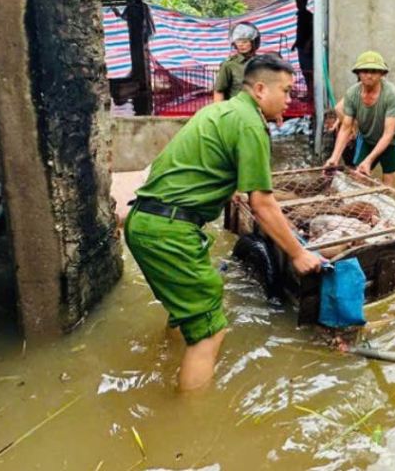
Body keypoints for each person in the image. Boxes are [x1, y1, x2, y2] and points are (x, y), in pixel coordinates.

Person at [125, 53, 323, 391]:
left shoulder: (220, 111)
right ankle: (190, 428)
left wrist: (228, 188)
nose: (291, 100)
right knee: (211, 333)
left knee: (186, 312)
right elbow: (262, 204)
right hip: (170, 232)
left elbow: (203, 166)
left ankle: (167, 360)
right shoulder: (249, 123)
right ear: (261, 89)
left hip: (143, 222)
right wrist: (298, 254)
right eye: (287, 91)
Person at [325, 51, 395, 187]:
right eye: (364, 71)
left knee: (388, 177)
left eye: (374, 71)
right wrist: (334, 157)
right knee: (358, 174)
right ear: (358, 73)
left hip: (391, 140)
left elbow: (388, 134)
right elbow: (346, 128)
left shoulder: (392, 94)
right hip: (366, 135)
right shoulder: (352, 93)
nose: (369, 75)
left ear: (382, 74)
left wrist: (369, 160)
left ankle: (387, 200)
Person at [214, 22, 260, 102]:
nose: (241, 45)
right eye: (238, 41)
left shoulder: (262, 63)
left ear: (253, 42)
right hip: (236, 110)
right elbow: (219, 91)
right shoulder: (229, 65)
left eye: (245, 41)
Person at [292, 0, 314, 102]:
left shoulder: (308, 15)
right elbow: (300, 32)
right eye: (297, 2)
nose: (298, 4)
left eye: (300, 2)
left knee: (309, 72)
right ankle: (309, 94)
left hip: (307, 49)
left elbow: (312, 32)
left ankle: (312, 95)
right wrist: (295, 43)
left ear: (305, 3)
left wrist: (308, 44)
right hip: (301, 47)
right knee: (305, 71)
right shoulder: (300, 15)